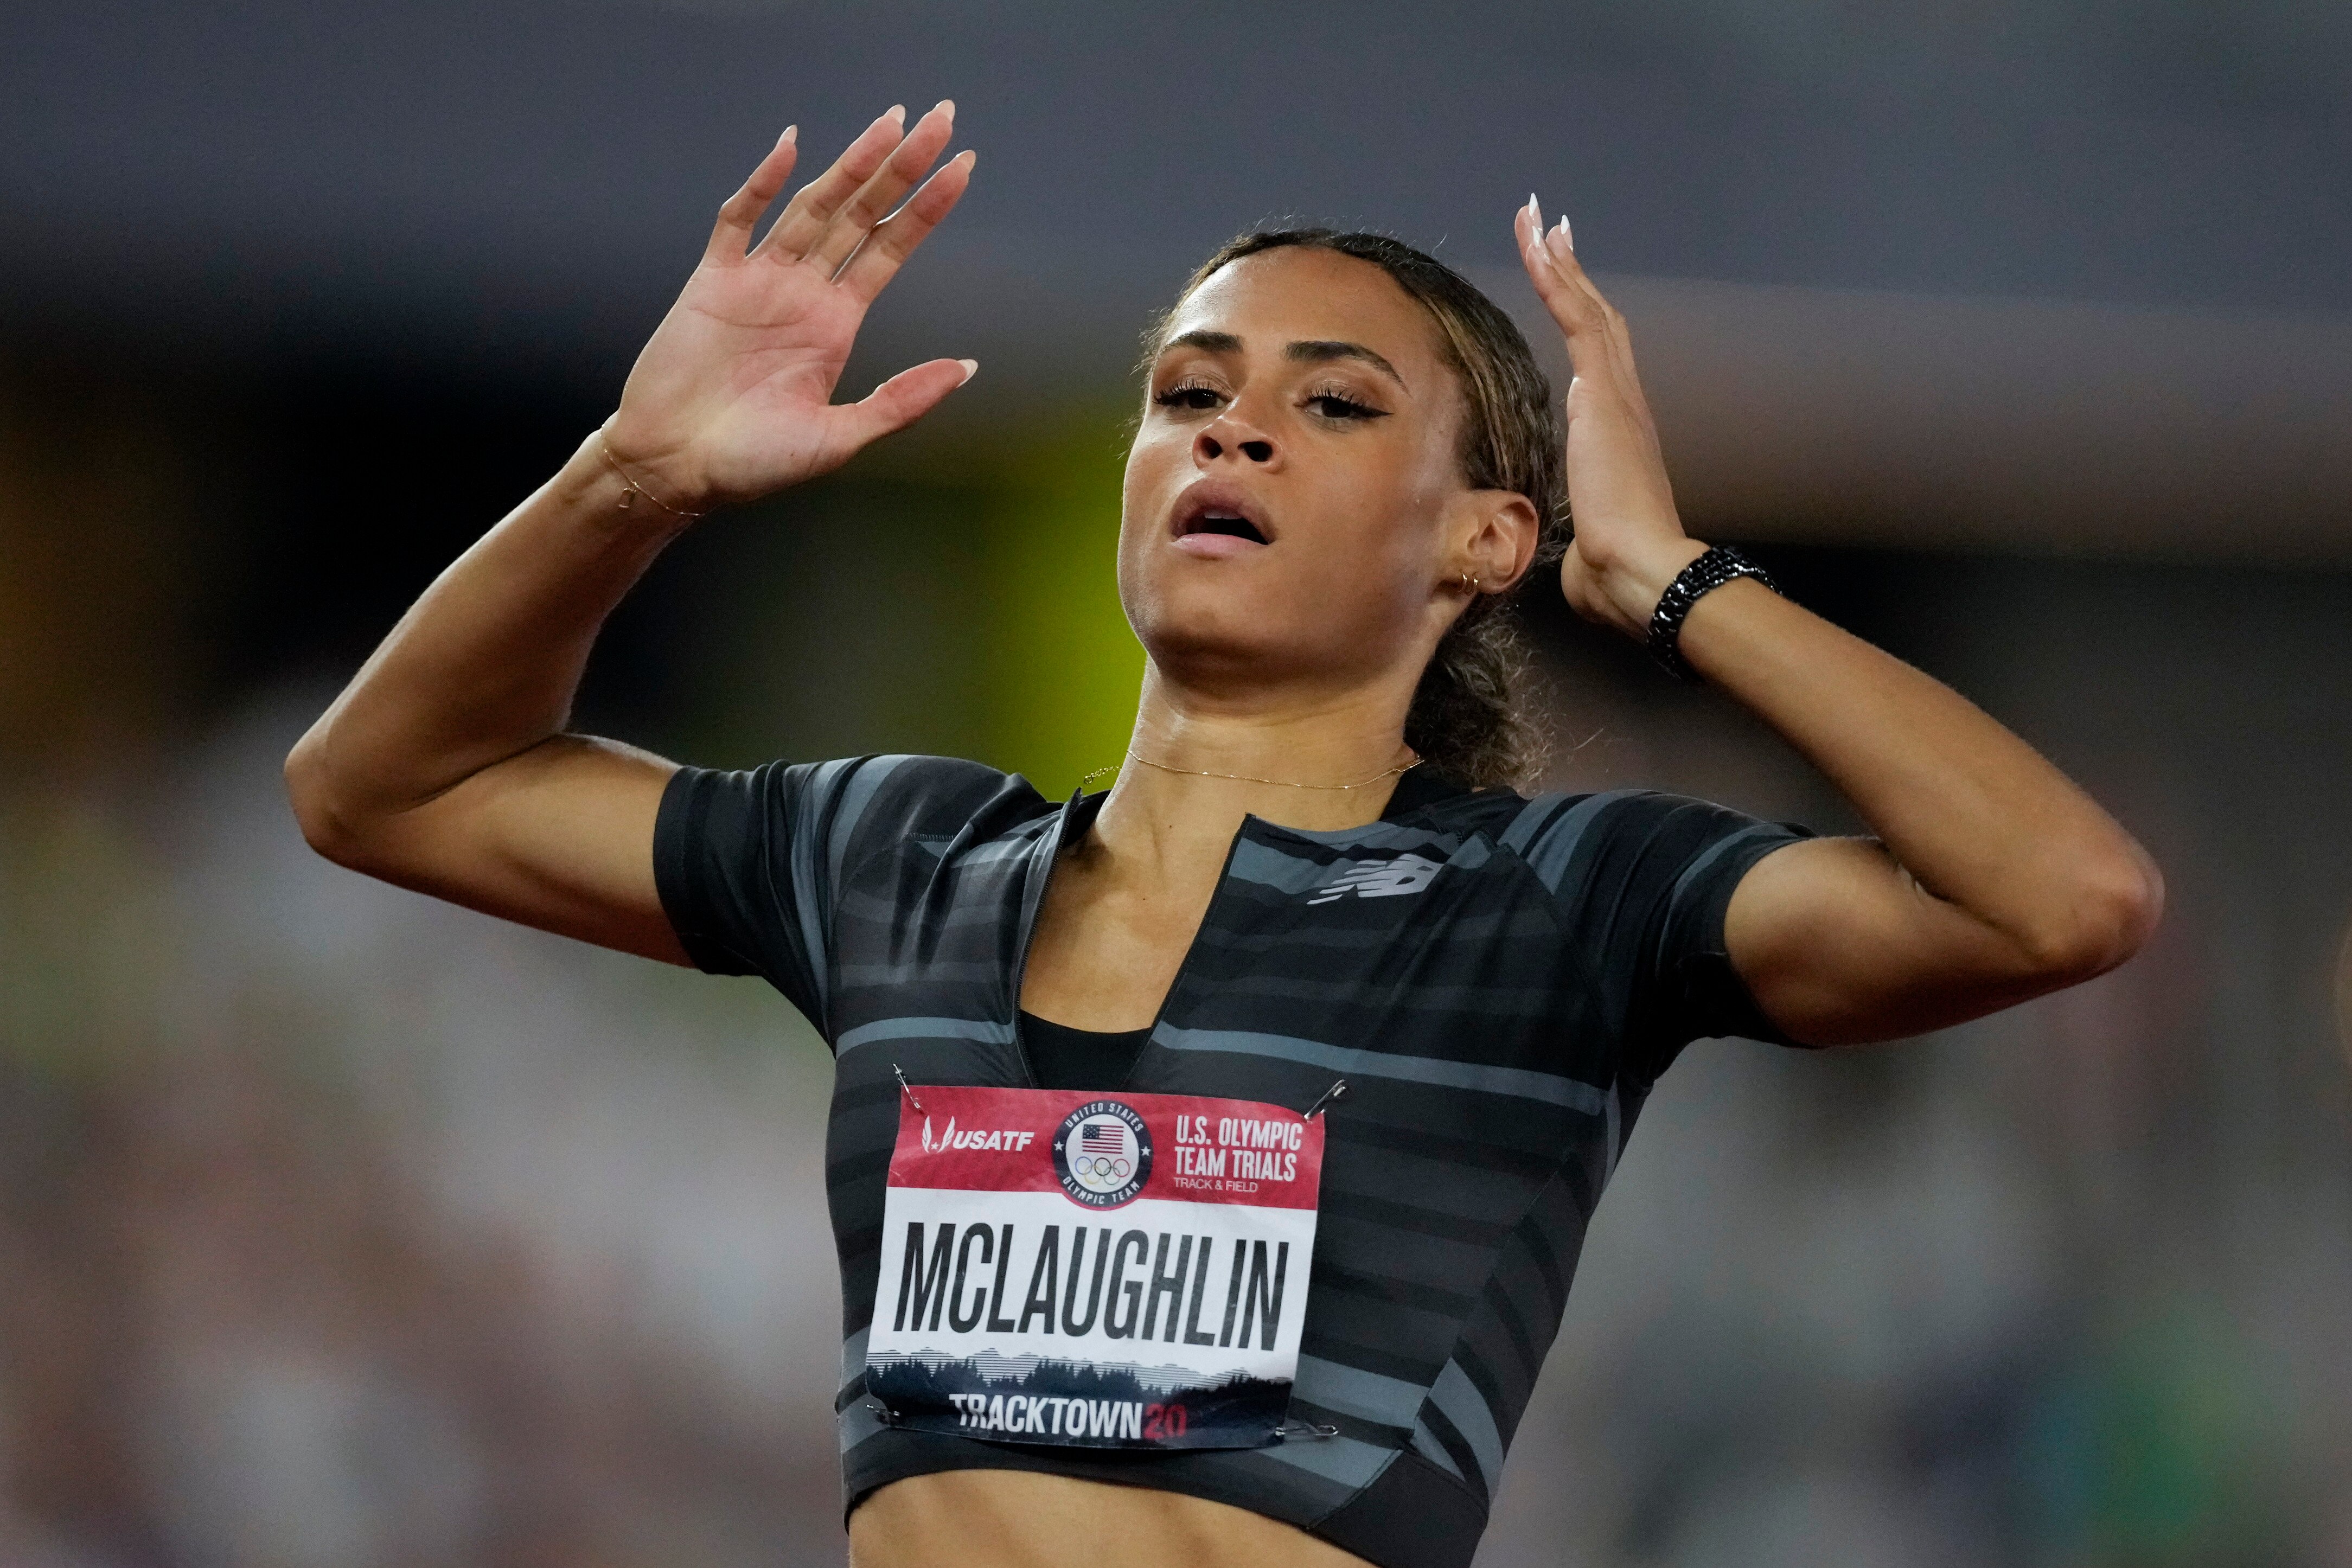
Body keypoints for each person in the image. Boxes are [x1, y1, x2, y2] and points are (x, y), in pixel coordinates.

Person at [285, 101, 2163, 1568]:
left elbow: (2064, 897)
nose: (1232, 432)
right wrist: (631, 479)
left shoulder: (1553, 905)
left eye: (1332, 404)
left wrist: (1675, 582)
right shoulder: (900, 861)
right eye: (1188, 394)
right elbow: (380, 786)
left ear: (1485, 538)